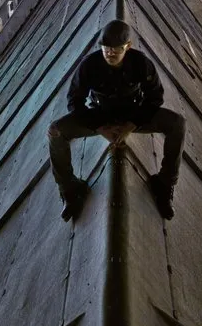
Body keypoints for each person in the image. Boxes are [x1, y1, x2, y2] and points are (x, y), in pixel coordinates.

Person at [47, 20, 186, 222]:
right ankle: (69, 190)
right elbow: (74, 102)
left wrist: (131, 125)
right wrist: (100, 127)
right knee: (56, 131)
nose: (111, 53)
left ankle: (164, 185)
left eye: (116, 49)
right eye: (107, 48)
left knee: (177, 123)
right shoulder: (90, 65)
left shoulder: (140, 63)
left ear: (127, 46)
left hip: (133, 115)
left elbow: (155, 98)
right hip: (101, 115)